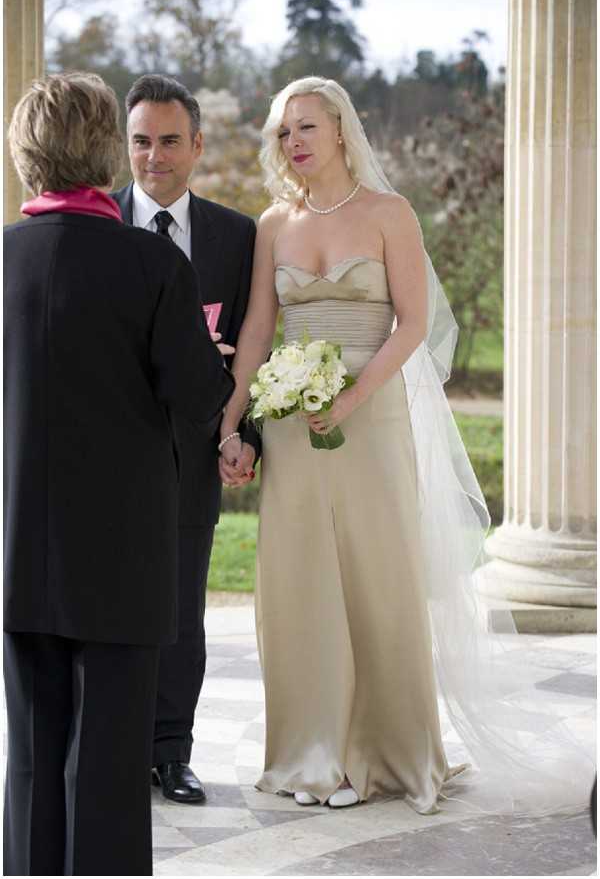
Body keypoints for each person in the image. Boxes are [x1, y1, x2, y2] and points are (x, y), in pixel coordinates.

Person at [219, 76, 594, 816]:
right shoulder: (272, 225)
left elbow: (414, 324)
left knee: (377, 580)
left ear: (340, 130)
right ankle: (314, 751)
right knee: (301, 586)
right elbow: (259, 333)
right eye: (281, 133)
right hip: (296, 425)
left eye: (305, 128)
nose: (293, 143)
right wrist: (234, 425)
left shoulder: (390, 214)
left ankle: (383, 755)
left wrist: (354, 399)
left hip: (374, 417)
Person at [3, 72, 234, 876]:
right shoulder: (153, 266)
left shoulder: (2, 259)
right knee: (105, 767)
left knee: (31, 760)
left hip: (20, 553)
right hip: (123, 560)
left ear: (25, 155)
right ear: (107, 151)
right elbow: (201, 398)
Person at [113, 74, 259, 805]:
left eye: (170, 140)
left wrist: (244, 434)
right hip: (103, 461)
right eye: (141, 140)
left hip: (192, 456)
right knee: (105, 608)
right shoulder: (97, 226)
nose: (154, 156)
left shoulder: (238, 237)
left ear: (197, 145)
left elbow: (256, 344)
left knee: (180, 612)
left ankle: (172, 751)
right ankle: (110, 750)